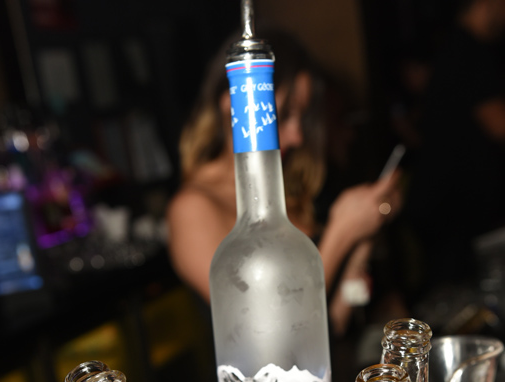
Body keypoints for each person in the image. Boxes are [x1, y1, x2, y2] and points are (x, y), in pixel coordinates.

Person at [166, 29, 402, 338]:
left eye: (302, 117)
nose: (297, 136)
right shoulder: (191, 208)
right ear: (236, 104)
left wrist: (364, 234)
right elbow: (269, 333)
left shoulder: (282, 188)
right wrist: (341, 233)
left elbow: (329, 325)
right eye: (284, 115)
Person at [405, 0, 505, 293]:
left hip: (459, 208)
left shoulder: (466, 47)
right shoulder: (467, 51)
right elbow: (499, 124)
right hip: (454, 210)